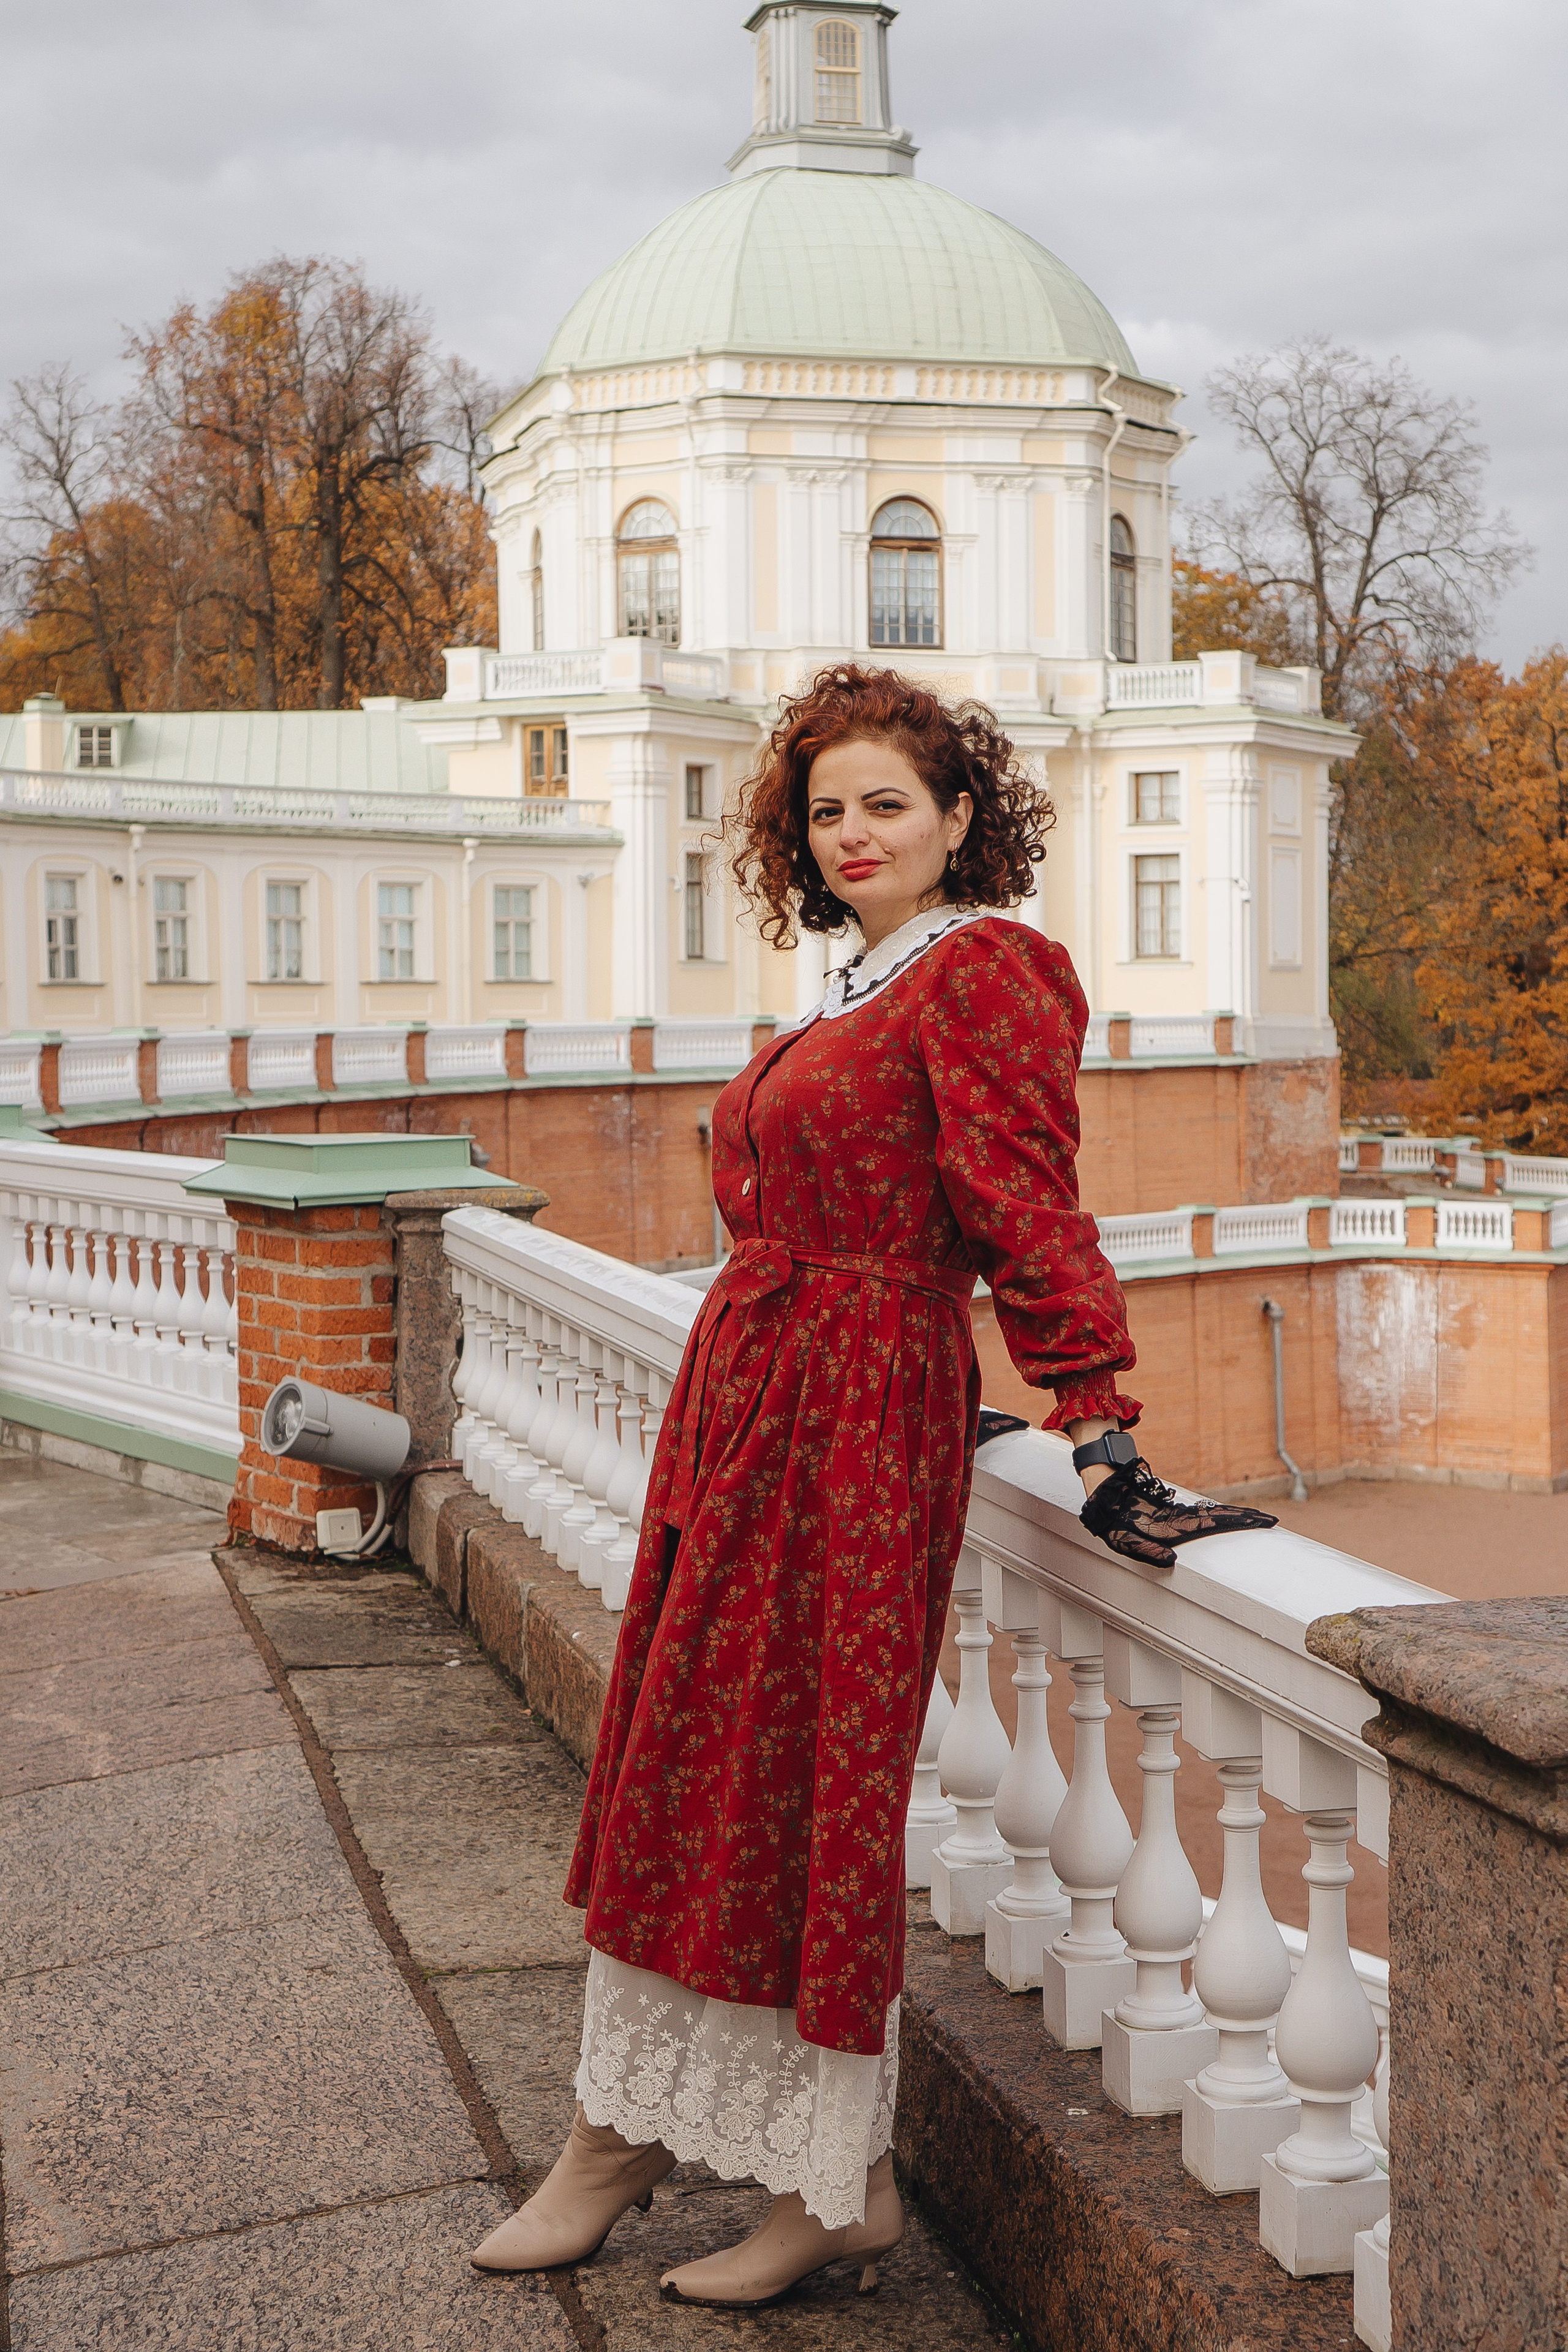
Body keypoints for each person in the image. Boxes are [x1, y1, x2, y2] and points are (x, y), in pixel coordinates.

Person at [470, 665, 1274, 2305]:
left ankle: (816, 2179)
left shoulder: (984, 972)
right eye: (826, 809)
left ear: (960, 818)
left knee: (793, 1782)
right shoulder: (853, 984)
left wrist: (1096, 1420)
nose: (852, 832)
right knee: (688, 1767)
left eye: (886, 804)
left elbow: (1025, 1204)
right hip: (761, 1402)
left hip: (851, 1419)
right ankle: (638, 2134)